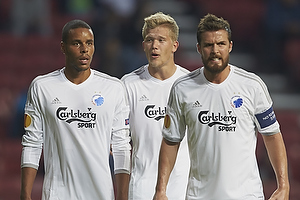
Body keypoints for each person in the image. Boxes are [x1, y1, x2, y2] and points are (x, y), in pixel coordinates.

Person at [153, 13, 290, 200]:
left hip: (246, 195)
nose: (215, 50)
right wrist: (161, 190)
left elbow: (272, 135)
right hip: (200, 196)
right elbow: (170, 141)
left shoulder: (252, 86)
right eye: (208, 45)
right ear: (199, 48)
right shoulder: (182, 89)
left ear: (230, 46)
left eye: (221, 44)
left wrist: (283, 185)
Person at [20, 19, 131, 200]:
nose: (84, 49)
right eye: (76, 43)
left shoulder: (114, 88)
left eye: (89, 43)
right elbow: (32, 143)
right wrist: (25, 194)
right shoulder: (42, 87)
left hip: (100, 194)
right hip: (57, 194)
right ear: (63, 47)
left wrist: (123, 196)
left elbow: (121, 147)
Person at [121, 12, 190, 200]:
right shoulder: (128, 85)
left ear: (175, 45)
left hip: (184, 188)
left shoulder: (191, 85)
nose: (155, 46)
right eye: (150, 40)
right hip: (142, 188)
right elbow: (117, 137)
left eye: (161, 40)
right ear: (143, 46)